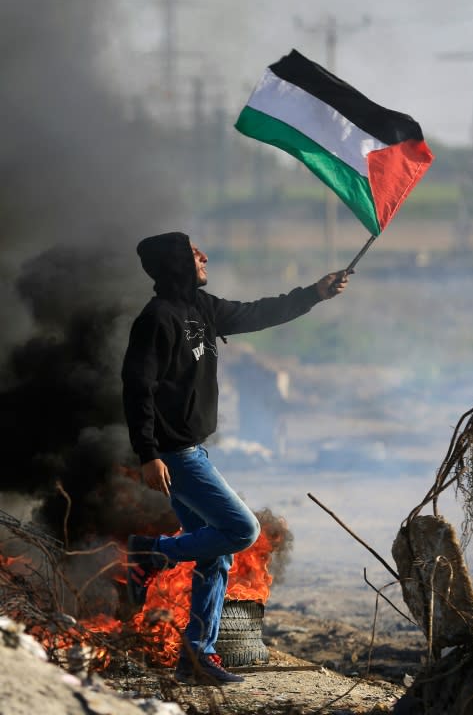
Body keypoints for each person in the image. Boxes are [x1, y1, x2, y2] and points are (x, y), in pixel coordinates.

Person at [122, 231, 351, 685]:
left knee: (215, 556)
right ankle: (150, 552)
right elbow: (137, 388)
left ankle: (196, 655)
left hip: (191, 449)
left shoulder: (202, 309)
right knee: (241, 530)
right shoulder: (156, 319)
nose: (204, 256)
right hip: (175, 455)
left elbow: (259, 312)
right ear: (176, 264)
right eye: (193, 253)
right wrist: (149, 454)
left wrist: (315, 294)